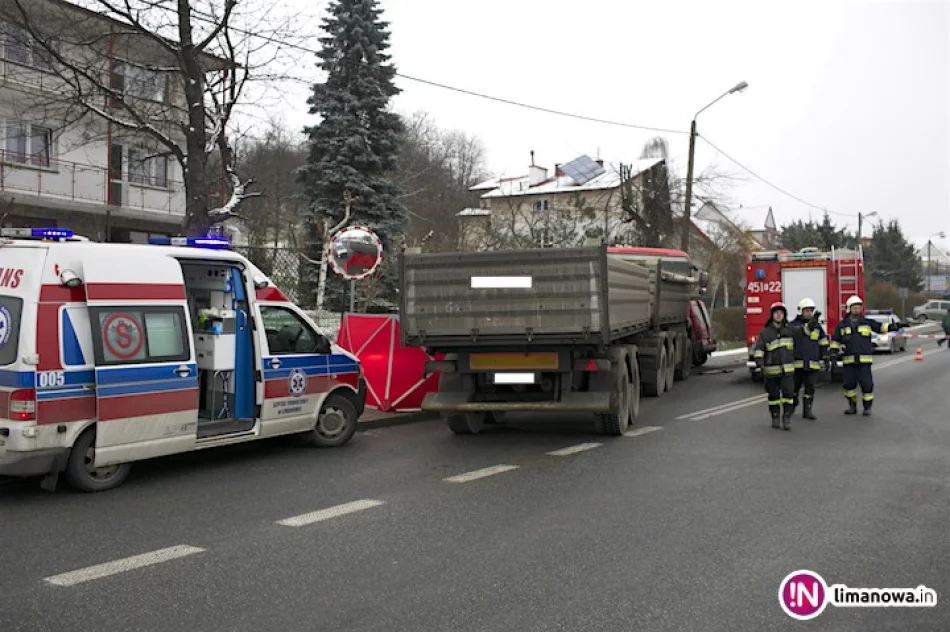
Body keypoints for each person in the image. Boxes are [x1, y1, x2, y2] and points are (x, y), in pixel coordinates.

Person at [829, 295, 894, 416]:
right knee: (849, 386)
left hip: (864, 361)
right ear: (849, 309)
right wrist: (833, 354)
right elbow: (836, 341)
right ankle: (852, 406)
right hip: (849, 362)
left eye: (859, 307)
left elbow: (881, 327)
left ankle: (867, 407)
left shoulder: (867, 322)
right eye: (854, 307)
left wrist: (894, 326)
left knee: (867, 385)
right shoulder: (841, 325)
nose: (857, 310)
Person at [753, 302, 796, 430]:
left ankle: (787, 417)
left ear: (784, 315)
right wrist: (760, 363)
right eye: (776, 313)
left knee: (789, 395)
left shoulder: (789, 331)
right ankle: (775, 416)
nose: (778, 315)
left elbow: (802, 336)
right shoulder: (765, 333)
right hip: (771, 372)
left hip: (787, 371)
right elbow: (759, 349)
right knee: (774, 397)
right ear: (772, 315)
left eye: (781, 313)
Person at [788, 298, 828, 420]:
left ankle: (807, 410)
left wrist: (825, 356)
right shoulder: (793, 326)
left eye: (811, 311)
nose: (809, 313)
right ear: (801, 311)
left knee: (810, 388)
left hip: (812, 365)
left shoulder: (817, 327)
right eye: (807, 310)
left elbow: (823, 342)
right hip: (796, 365)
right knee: (793, 388)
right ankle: (792, 404)